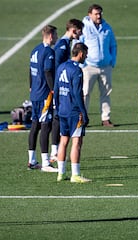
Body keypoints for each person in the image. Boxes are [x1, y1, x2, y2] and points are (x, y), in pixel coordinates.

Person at [54, 42, 91, 183]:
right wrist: (84, 112)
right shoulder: (77, 70)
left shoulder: (61, 67)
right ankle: (75, 174)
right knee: (77, 142)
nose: (86, 57)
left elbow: (56, 90)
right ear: (80, 53)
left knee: (63, 141)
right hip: (74, 112)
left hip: (62, 110)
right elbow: (77, 93)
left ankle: (61, 173)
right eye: (85, 54)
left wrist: (57, 108)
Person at [50, 19, 84, 162]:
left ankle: (56, 152)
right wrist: (54, 89)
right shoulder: (63, 45)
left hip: (60, 87)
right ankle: (53, 152)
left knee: (59, 120)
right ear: (74, 30)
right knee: (56, 120)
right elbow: (57, 68)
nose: (81, 33)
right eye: (80, 30)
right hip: (60, 89)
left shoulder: (67, 44)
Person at [79, 3, 117, 127]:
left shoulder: (107, 27)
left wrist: (112, 61)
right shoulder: (84, 28)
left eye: (100, 13)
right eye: (96, 14)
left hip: (105, 66)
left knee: (106, 93)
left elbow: (113, 45)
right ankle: (83, 118)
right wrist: (82, 64)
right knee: (85, 93)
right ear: (90, 15)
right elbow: (78, 45)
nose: (99, 16)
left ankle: (105, 118)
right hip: (89, 66)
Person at [27, 25, 58, 172]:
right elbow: (47, 70)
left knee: (35, 125)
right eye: (56, 35)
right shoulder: (48, 52)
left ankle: (32, 160)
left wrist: (31, 86)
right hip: (45, 94)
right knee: (46, 125)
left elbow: (30, 70)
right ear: (51, 36)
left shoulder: (35, 49)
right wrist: (53, 89)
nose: (57, 38)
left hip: (35, 93)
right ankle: (46, 162)